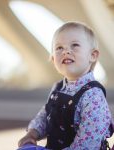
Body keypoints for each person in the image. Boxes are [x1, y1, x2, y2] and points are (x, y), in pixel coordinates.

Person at [18, 21, 114, 150]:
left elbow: (88, 143)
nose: (66, 51)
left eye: (74, 45)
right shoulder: (58, 88)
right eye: (59, 48)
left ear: (92, 55)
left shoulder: (93, 95)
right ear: (53, 59)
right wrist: (32, 133)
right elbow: (45, 115)